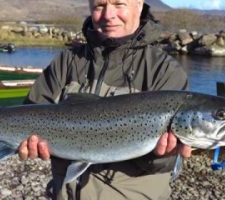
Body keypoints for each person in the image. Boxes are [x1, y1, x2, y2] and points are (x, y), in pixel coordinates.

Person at [19, 0, 192, 199]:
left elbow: (167, 165)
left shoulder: (164, 71)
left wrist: (166, 156)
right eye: (100, 6)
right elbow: (29, 114)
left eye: (119, 4)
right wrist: (27, 145)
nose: (108, 15)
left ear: (139, 5)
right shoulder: (67, 61)